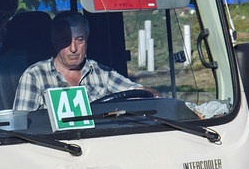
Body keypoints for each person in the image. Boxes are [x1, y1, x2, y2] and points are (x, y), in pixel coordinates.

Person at [12, 10, 147, 112]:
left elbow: (141, 94)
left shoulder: (102, 73)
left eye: (79, 40)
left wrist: (152, 95)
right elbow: (22, 125)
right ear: (54, 42)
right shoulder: (35, 76)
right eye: (66, 41)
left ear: (87, 40)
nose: (73, 48)